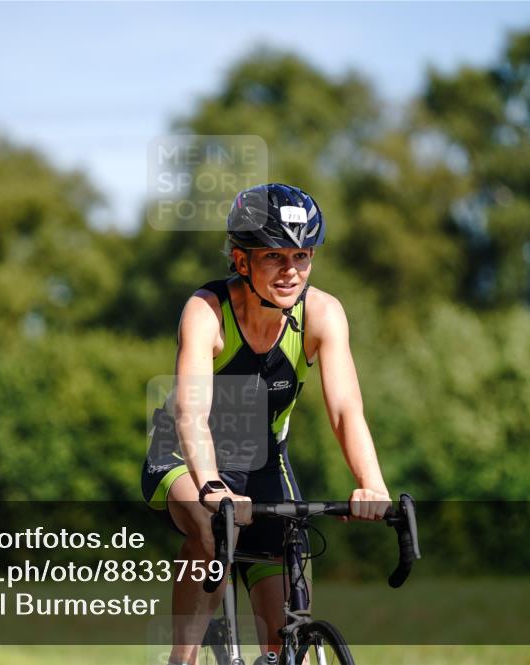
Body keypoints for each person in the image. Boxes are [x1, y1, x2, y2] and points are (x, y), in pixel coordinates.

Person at [140, 183, 390, 665]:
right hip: (185, 457)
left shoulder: (323, 314)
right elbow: (191, 413)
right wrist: (211, 485)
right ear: (241, 260)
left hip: (264, 463)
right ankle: (183, 659)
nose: (290, 270)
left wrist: (371, 483)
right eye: (274, 255)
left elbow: (345, 408)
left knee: (284, 637)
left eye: (302, 255)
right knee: (211, 528)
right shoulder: (206, 312)